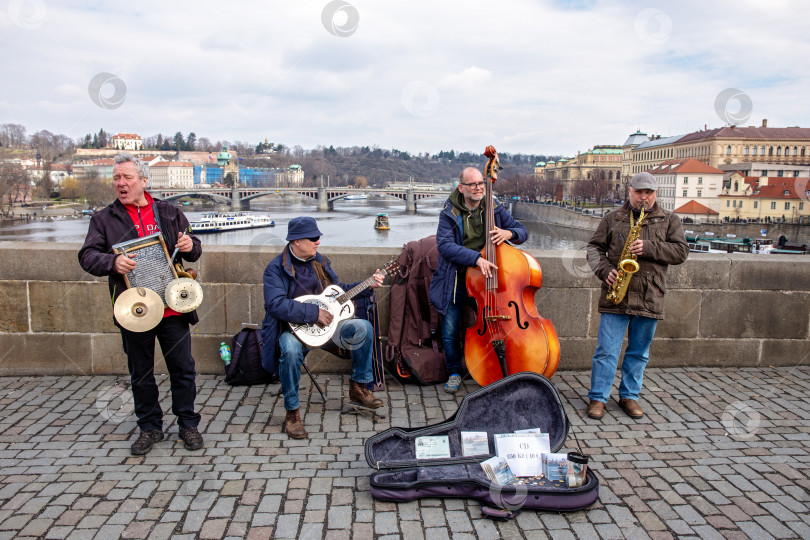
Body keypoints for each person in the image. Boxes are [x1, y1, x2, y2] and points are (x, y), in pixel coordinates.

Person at [78, 153, 204, 455]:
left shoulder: (168, 212)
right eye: (116, 178)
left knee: (183, 368)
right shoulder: (103, 219)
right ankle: (149, 427)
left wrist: (190, 245)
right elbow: (86, 257)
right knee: (141, 372)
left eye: (127, 178)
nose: (121, 184)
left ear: (143, 181)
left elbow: (194, 249)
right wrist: (113, 261)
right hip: (134, 309)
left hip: (172, 305)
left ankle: (188, 423)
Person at [261, 217, 386, 439]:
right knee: (289, 351)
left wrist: (368, 286)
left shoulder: (320, 262)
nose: (318, 242)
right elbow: (275, 305)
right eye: (314, 238)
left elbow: (338, 293)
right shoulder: (275, 269)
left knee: (362, 328)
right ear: (297, 241)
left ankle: (359, 388)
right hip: (293, 332)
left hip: (327, 329)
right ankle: (292, 413)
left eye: (319, 238)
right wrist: (314, 313)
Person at [585, 171, 688, 420]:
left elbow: (681, 252)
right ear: (629, 191)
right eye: (639, 192)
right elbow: (593, 248)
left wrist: (650, 247)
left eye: (649, 193)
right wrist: (605, 270)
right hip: (616, 294)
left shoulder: (670, 220)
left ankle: (629, 396)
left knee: (639, 352)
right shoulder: (612, 219)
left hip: (649, 295)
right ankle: (598, 398)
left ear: (655, 194)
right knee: (606, 351)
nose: (644, 197)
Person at [428, 167, 528, 393]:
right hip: (455, 281)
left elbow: (522, 230)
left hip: (486, 284)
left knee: (494, 325)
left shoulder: (493, 206)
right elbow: (444, 246)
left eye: (481, 183)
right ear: (461, 187)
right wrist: (476, 259)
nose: (479, 187)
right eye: (472, 184)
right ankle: (454, 372)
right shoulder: (449, 212)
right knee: (450, 331)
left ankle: (491, 368)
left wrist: (509, 234)